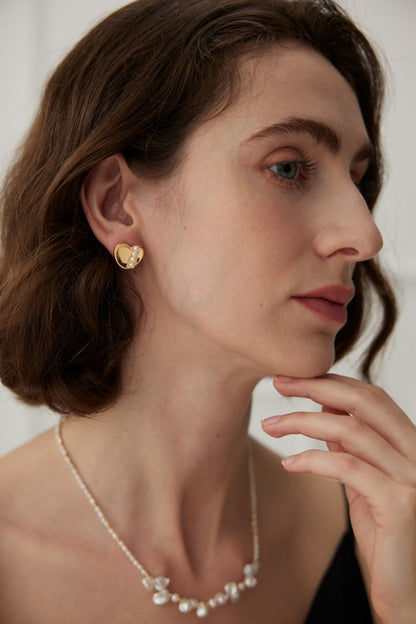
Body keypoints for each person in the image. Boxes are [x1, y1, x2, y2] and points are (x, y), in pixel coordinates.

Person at [0, 0, 414, 622]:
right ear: (116, 206)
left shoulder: (382, 528)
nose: (364, 234)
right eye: (288, 167)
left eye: (358, 179)